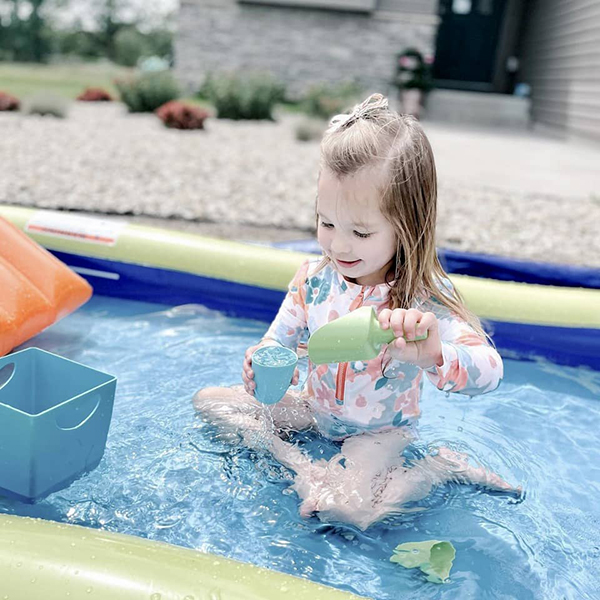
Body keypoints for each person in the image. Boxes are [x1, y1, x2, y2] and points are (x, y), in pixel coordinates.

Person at [194, 93, 519, 529]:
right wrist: (263, 363)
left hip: (377, 432)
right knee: (211, 404)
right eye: (326, 223)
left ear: (407, 226)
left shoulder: (421, 297)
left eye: (361, 232)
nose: (339, 245)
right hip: (313, 408)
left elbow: (490, 371)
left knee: (345, 514)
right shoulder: (312, 279)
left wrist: (436, 355)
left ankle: (435, 469)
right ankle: (303, 468)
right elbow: (276, 340)